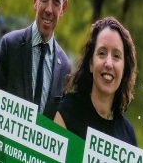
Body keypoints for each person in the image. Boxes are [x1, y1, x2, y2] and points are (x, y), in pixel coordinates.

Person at [0, 0, 71, 119]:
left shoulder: (65, 67)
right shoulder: (9, 45)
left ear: (63, 8)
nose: (48, 9)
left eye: (56, 1)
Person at [54, 17, 138, 145]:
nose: (108, 63)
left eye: (116, 56)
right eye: (102, 53)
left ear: (124, 69)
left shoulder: (128, 135)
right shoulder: (67, 112)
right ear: (91, 64)